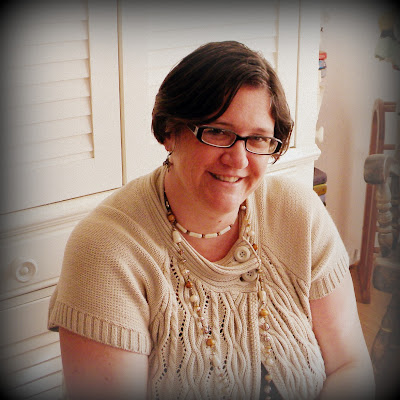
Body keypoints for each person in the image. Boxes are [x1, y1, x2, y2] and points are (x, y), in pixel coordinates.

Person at [48, 41, 374, 400]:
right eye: (218, 132)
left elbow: (349, 365)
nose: (238, 160)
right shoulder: (105, 252)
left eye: (258, 138)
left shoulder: (299, 214)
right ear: (170, 131)